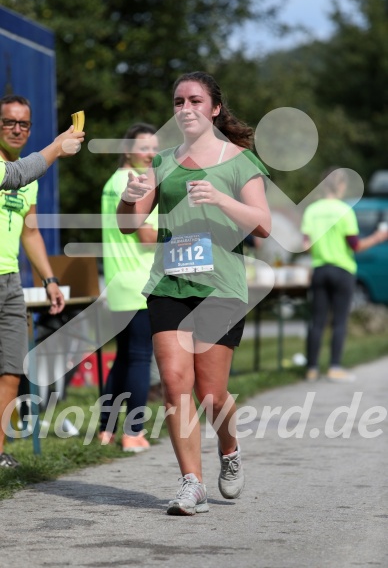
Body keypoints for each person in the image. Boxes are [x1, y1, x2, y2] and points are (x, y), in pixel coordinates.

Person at [117, 71, 271, 515]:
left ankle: (229, 448)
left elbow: (264, 224)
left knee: (210, 394)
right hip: (169, 284)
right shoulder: (161, 162)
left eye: (195, 101)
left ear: (215, 109)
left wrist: (221, 199)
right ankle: (192, 484)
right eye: (179, 101)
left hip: (221, 288)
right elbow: (129, 225)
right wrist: (129, 197)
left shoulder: (240, 160)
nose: (185, 108)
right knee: (174, 386)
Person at [0, 94, 85, 468]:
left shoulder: (27, 175)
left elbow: (30, 231)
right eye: (9, 122)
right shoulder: (19, 171)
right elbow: (16, 175)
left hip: (10, 281)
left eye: (24, 124)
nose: (17, 129)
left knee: (11, 370)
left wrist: (49, 278)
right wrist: (56, 147)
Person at [98, 123, 159, 452]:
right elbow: (147, 235)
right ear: (127, 150)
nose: (150, 154)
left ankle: (105, 430)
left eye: (154, 148)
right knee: (139, 357)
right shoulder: (137, 184)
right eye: (144, 147)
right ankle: (133, 432)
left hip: (118, 280)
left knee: (123, 357)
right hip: (140, 281)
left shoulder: (112, 182)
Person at [301, 168, 388, 382]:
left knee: (317, 320)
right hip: (342, 270)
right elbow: (355, 245)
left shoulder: (311, 210)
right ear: (341, 186)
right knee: (339, 320)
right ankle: (334, 367)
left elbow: (305, 245)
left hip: (320, 269)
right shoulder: (345, 210)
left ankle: (311, 369)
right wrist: (378, 237)